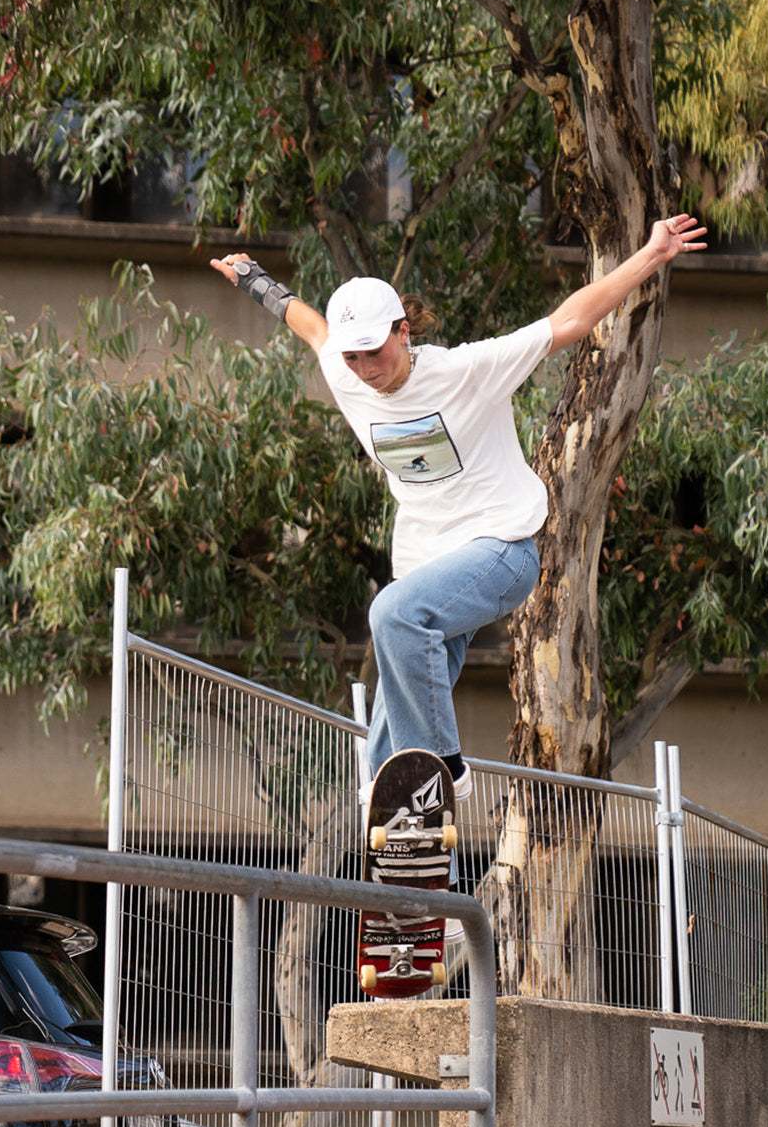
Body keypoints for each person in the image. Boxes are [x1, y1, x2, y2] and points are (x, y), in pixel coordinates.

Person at [212, 213, 706, 800]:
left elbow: (571, 318)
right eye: (353, 359)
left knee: (393, 617)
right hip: (428, 568)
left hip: (501, 552)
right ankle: (404, 843)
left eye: (374, 352)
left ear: (402, 331)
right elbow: (312, 325)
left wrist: (652, 254)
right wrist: (254, 279)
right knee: (392, 728)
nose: (366, 371)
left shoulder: (468, 370)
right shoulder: (343, 371)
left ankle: (444, 769)